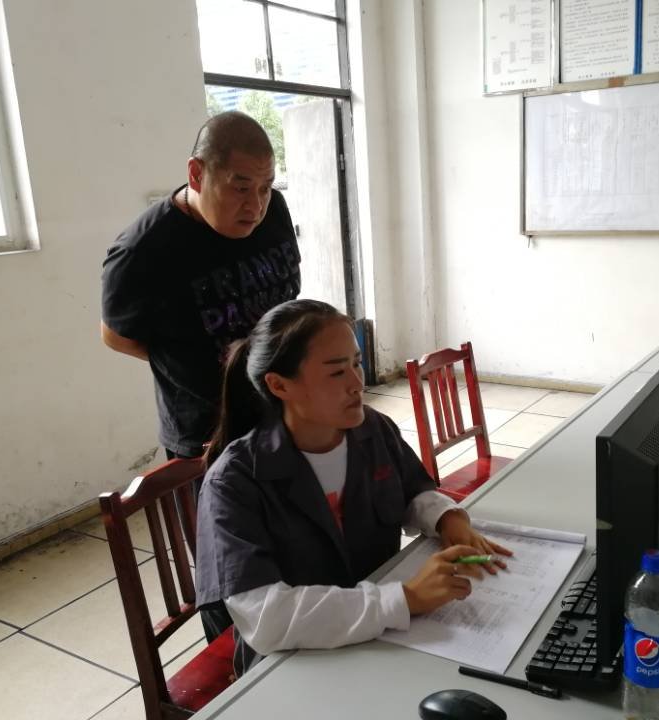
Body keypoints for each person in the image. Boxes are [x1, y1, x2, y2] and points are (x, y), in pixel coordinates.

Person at [196, 299, 512, 675]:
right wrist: (404, 599)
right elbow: (266, 617)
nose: (357, 383)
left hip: (382, 639)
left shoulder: (371, 429)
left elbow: (412, 489)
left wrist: (447, 519)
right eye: (336, 372)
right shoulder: (233, 483)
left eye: (357, 364)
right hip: (296, 664)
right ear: (279, 385)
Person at [101, 111, 300, 642]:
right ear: (196, 173)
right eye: (240, 187)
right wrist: (190, 363)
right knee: (231, 575)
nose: (255, 205)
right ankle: (240, 675)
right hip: (207, 434)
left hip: (280, 412)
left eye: (265, 187)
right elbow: (116, 335)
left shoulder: (273, 214)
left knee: (295, 550)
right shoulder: (143, 252)